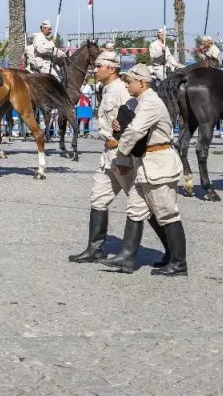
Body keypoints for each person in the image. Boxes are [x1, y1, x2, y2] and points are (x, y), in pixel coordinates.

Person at [111, 63, 189, 276]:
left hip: (158, 162)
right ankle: (127, 257)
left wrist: (121, 156)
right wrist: (119, 126)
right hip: (146, 163)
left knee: (166, 213)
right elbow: (130, 124)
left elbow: (136, 129)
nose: (126, 85)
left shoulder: (151, 103)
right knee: (135, 209)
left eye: (129, 81)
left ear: (142, 83)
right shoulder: (140, 103)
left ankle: (179, 263)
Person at [69, 50, 136, 264]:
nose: (95, 69)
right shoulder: (105, 89)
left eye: (99, 66)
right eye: (95, 66)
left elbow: (134, 122)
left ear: (113, 68)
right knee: (98, 198)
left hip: (122, 154)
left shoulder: (121, 91)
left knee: (141, 202)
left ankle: (171, 252)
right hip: (107, 153)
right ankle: (95, 249)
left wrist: (124, 154)